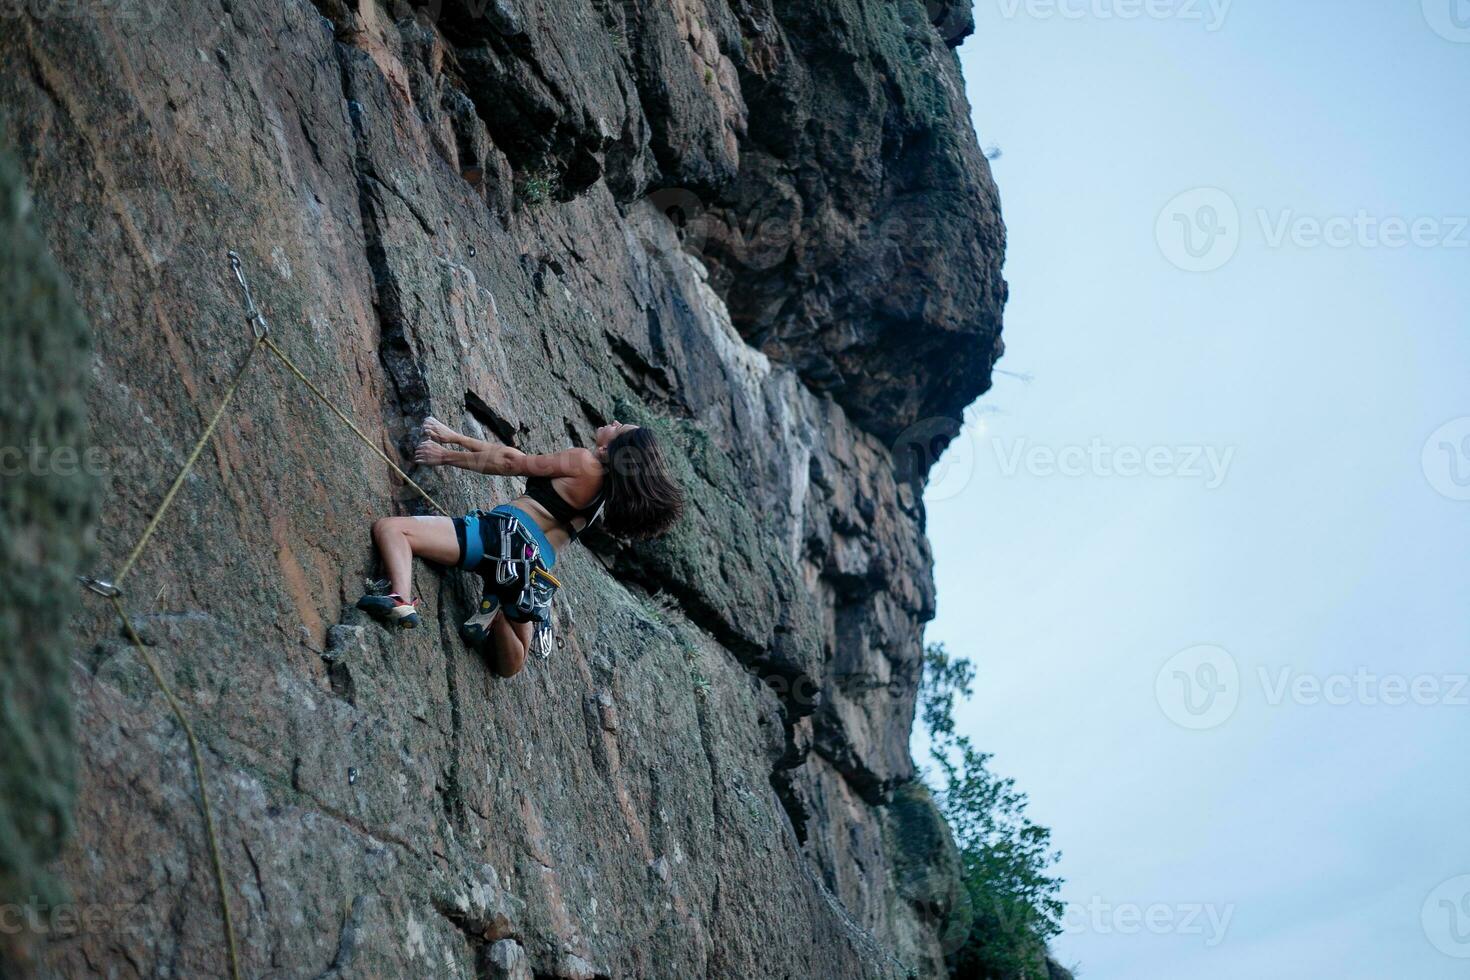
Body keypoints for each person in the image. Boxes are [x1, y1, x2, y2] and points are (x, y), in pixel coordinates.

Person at [357, 416, 684, 677]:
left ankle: (400, 598)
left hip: (497, 537)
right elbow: (507, 670)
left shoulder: (584, 461)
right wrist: (453, 437)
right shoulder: (601, 500)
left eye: (618, 428)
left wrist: (448, 451)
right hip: (530, 572)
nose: (612, 423)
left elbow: (512, 462)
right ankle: (499, 603)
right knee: (511, 663)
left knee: (392, 529)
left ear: (613, 449)